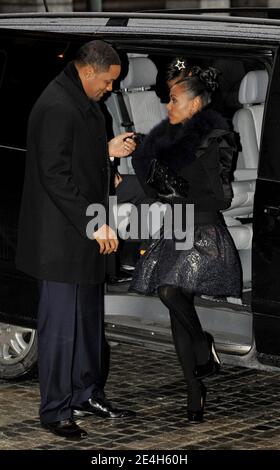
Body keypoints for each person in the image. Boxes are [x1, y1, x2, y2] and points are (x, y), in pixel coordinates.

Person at [16, 40, 137, 439]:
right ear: (88, 72)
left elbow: (74, 154)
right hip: (63, 240)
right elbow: (55, 175)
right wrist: (94, 223)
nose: (111, 89)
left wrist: (107, 157)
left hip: (85, 233)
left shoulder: (83, 101)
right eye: (108, 81)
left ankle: (87, 393)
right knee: (61, 330)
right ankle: (55, 411)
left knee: (87, 325)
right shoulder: (56, 105)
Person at [130, 63, 242, 423]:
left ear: (195, 105)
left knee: (169, 291)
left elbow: (220, 198)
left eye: (175, 100)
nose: (168, 106)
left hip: (204, 228)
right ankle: (195, 391)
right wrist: (149, 170)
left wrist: (181, 186)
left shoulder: (216, 139)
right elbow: (154, 191)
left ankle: (201, 345)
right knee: (176, 306)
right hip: (175, 226)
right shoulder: (163, 140)